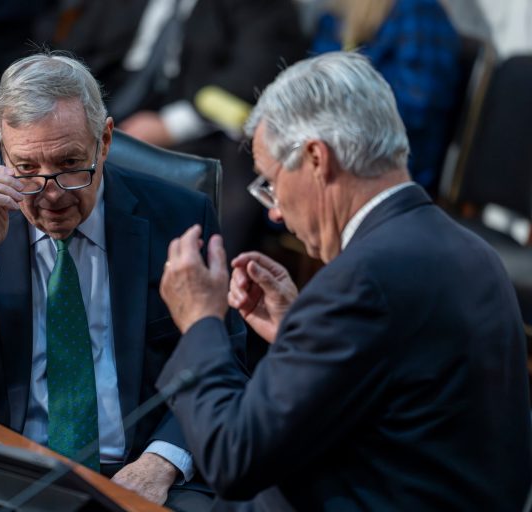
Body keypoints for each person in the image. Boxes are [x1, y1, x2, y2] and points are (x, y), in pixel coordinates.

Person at [156, 52, 532, 511]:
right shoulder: (474, 253)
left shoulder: (362, 282)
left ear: (316, 158)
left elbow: (232, 458)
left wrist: (199, 322)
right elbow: (402, 399)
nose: (273, 211)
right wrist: (299, 327)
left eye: (271, 182)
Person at [0, 52, 245, 509]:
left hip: (144, 468)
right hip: (4, 467)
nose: (50, 193)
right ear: (1, 154)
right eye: (27, 169)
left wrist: (162, 462)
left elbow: (225, 358)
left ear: (105, 142)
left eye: (70, 163)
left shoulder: (178, 219)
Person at [56, 0, 306, 258]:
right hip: (111, 102)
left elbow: (256, 74)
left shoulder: (261, 7)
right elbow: (76, 51)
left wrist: (170, 126)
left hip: (203, 127)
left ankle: (212, 285)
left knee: (233, 196)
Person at [311, 0, 461, 195]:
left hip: (388, 167)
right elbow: (312, 83)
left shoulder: (419, 10)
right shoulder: (335, 14)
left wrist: (336, 112)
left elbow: (416, 105)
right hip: (337, 149)